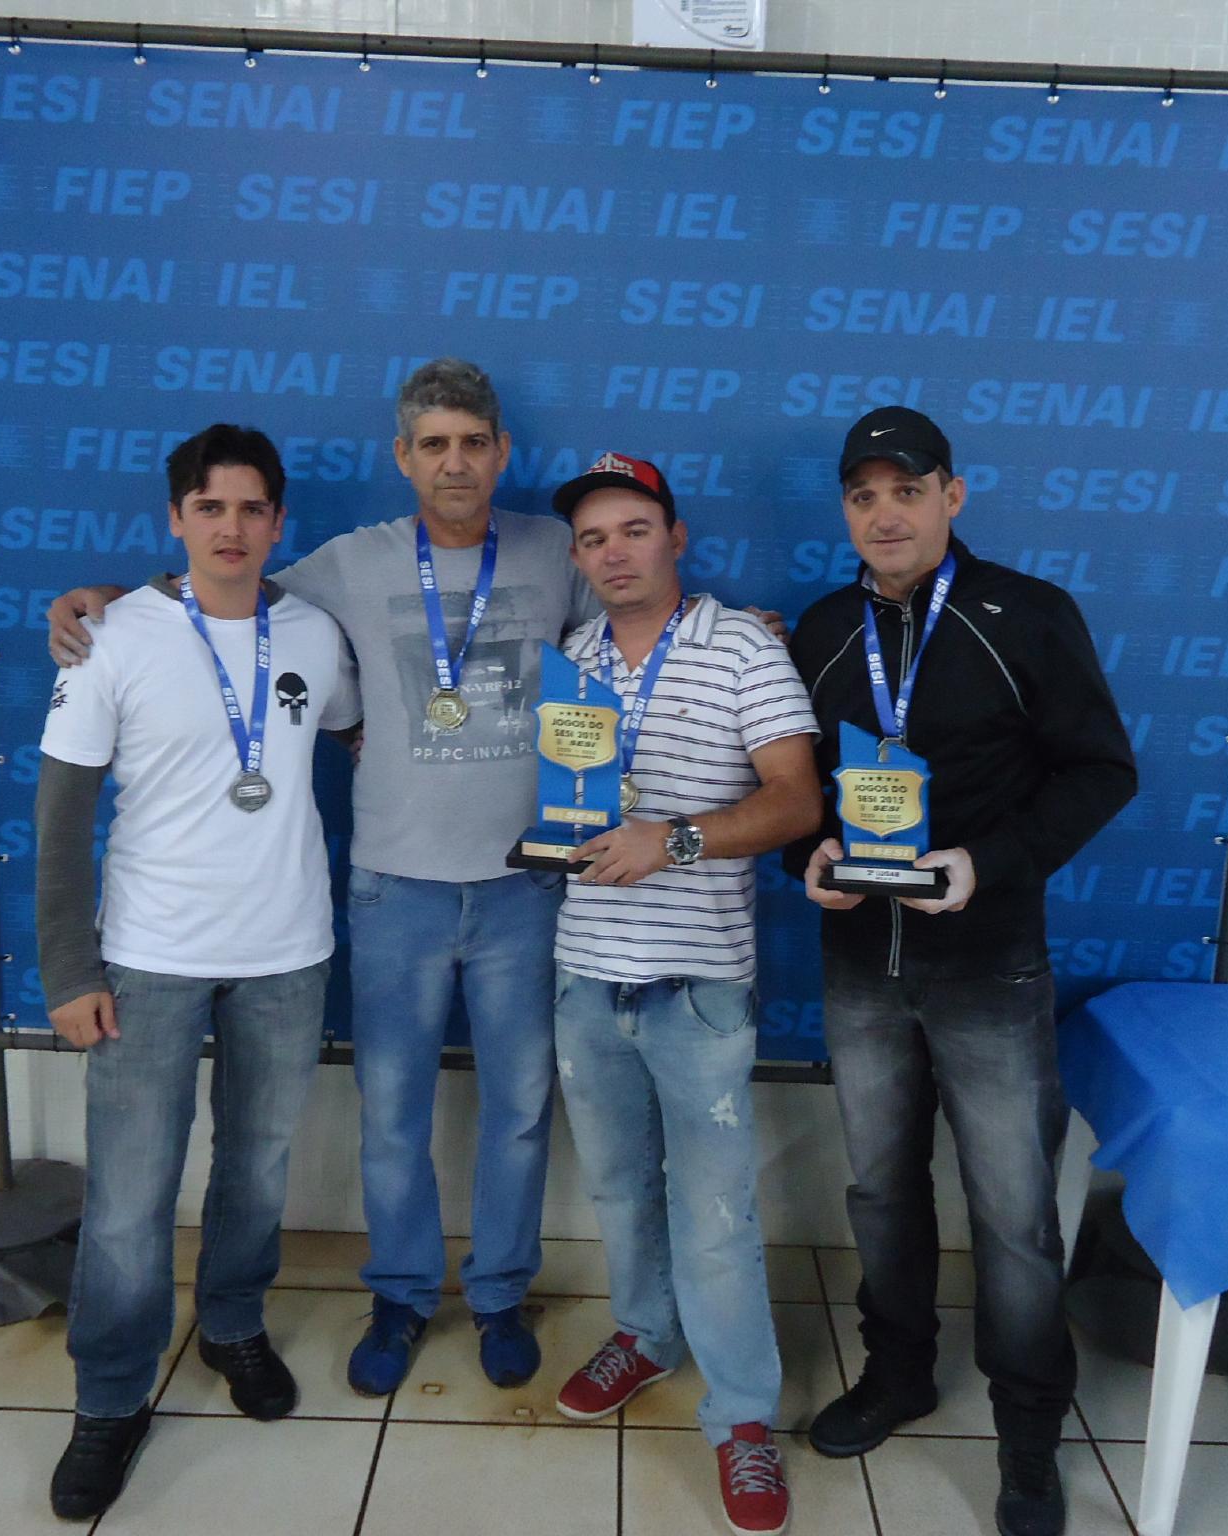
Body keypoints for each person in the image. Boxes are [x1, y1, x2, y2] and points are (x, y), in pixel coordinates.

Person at [48, 361, 596, 1396]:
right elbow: (222, 594)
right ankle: (401, 1295)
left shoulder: (554, 548)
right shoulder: (346, 564)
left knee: (522, 1105)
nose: (454, 462)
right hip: (393, 887)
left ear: (501, 453)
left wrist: (740, 626)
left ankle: (496, 1295)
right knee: (390, 1112)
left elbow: (639, 596)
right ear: (403, 458)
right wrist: (107, 600)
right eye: (432, 445)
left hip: (525, 885)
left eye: (472, 443)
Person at [784, 406, 1138, 1536]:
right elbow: (796, 791)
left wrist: (988, 862)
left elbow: (1102, 770)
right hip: (860, 966)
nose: (884, 514)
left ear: (952, 495)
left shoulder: (1023, 614)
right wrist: (809, 857)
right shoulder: (822, 628)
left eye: (907, 489)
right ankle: (898, 1374)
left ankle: (1027, 1432)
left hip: (987, 968)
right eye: (863, 495)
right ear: (845, 510)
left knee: (1014, 1212)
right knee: (881, 1190)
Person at [35, 423, 359, 1518]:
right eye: (209, 508)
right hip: (148, 957)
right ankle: (110, 1396)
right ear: (175, 518)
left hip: (287, 951)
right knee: (131, 1197)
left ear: (278, 521)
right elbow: (60, 818)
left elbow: (356, 728)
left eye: (251, 509)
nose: (231, 528)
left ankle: (231, 1326)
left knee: (256, 1168)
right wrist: (69, 970)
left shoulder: (313, 631)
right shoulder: (110, 636)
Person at [541, 454, 821, 1536]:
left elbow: (795, 800)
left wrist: (677, 840)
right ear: (577, 557)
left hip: (698, 985)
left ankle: (741, 1415)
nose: (614, 552)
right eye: (593, 538)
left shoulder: (741, 646)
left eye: (634, 529)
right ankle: (647, 1336)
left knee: (712, 1217)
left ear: (675, 538)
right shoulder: (572, 658)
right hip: (585, 973)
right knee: (618, 1191)